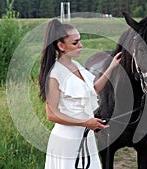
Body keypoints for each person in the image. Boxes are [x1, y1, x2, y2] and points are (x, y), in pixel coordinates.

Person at [39, 19, 122, 169]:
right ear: (61, 46)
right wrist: (85, 123)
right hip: (67, 140)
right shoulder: (55, 75)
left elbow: (93, 90)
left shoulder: (76, 66)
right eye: (75, 43)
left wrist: (111, 67)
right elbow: (51, 115)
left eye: (80, 41)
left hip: (86, 136)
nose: (81, 45)